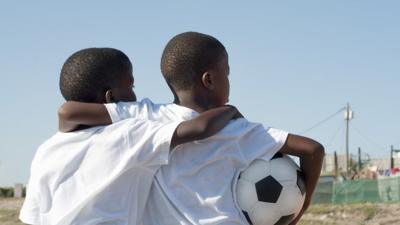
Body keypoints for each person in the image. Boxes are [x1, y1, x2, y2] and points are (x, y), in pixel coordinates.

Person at [59, 32, 325, 225]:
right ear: (209, 80)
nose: (229, 81)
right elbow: (313, 150)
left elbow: (70, 111)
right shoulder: (240, 130)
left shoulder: (144, 115)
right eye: (227, 73)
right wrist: (305, 202)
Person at [19, 47, 241, 225]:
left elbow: (33, 216)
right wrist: (228, 110)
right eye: (131, 86)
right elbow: (198, 129)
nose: (135, 95)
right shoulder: (128, 135)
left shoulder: (47, 149)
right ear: (111, 97)